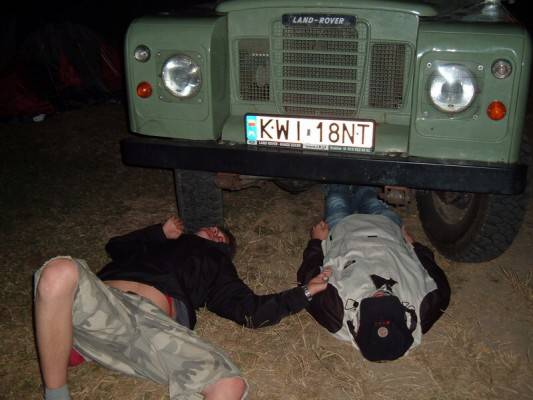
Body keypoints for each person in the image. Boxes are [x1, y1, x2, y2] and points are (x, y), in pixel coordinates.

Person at [34, 216, 330, 400]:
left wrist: (304, 292)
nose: (216, 231)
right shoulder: (159, 242)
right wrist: (158, 233)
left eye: (222, 237)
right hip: (102, 301)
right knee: (58, 271)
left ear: (224, 250)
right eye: (213, 228)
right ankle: (57, 391)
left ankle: (78, 344)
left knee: (229, 386)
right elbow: (115, 247)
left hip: (150, 327)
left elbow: (251, 311)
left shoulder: (217, 265)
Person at [297, 185, 451, 362]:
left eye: (372, 305)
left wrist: (316, 242)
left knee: (337, 197)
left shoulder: (336, 314)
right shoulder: (425, 309)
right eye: (388, 303)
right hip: (387, 229)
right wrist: (415, 247)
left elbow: (307, 279)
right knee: (369, 195)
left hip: (343, 230)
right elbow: (440, 282)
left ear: (358, 328)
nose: (379, 296)